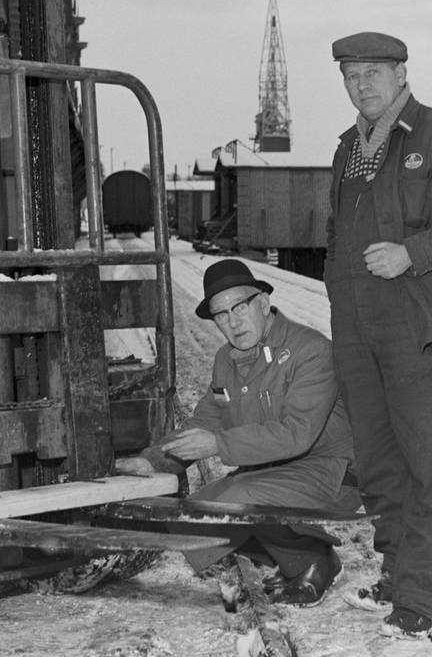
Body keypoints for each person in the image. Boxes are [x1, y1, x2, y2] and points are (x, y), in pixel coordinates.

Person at [325, 33, 432, 639]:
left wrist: (412, 254)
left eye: (374, 72)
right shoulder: (349, 148)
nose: (363, 84)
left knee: (426, 463)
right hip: (360, 329)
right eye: (352, 75)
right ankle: (397, 571)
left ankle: (421, 596)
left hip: (422, 324)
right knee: (377, 461)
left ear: (401, 73)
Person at [122, 258, 360, 606]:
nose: (233, 323)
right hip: (277, 473)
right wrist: (154, 461)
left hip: (332, 471)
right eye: (221, 315)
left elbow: (298, 433)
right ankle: (293, 558)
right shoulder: (226, 360)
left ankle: (314, 559)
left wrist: (218, 444)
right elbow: (204, 421)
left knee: (239, 498)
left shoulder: (310, 350)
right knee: (193, 516)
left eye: (240, 307)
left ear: (263, 303)